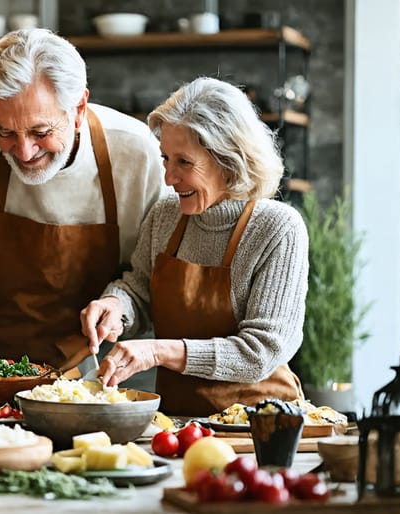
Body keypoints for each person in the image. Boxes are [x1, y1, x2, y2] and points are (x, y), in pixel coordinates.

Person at [0, 28, 167, 371]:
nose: (23, 151)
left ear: (78, 108)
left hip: (110, 374)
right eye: (4, 132)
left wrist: (119, 305)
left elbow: (155, 279)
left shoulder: (138, 154)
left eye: (41, 132)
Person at [80, 77, 308, 416]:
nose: (169, 178)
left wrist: (157, 352)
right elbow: (139, 288)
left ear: (229, 159)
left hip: (259, 426)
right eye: (166, 159)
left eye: (184, 163)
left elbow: (260, 351)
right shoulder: (165, 215)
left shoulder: (278, 228)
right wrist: (117, 306)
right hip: (178, 420)